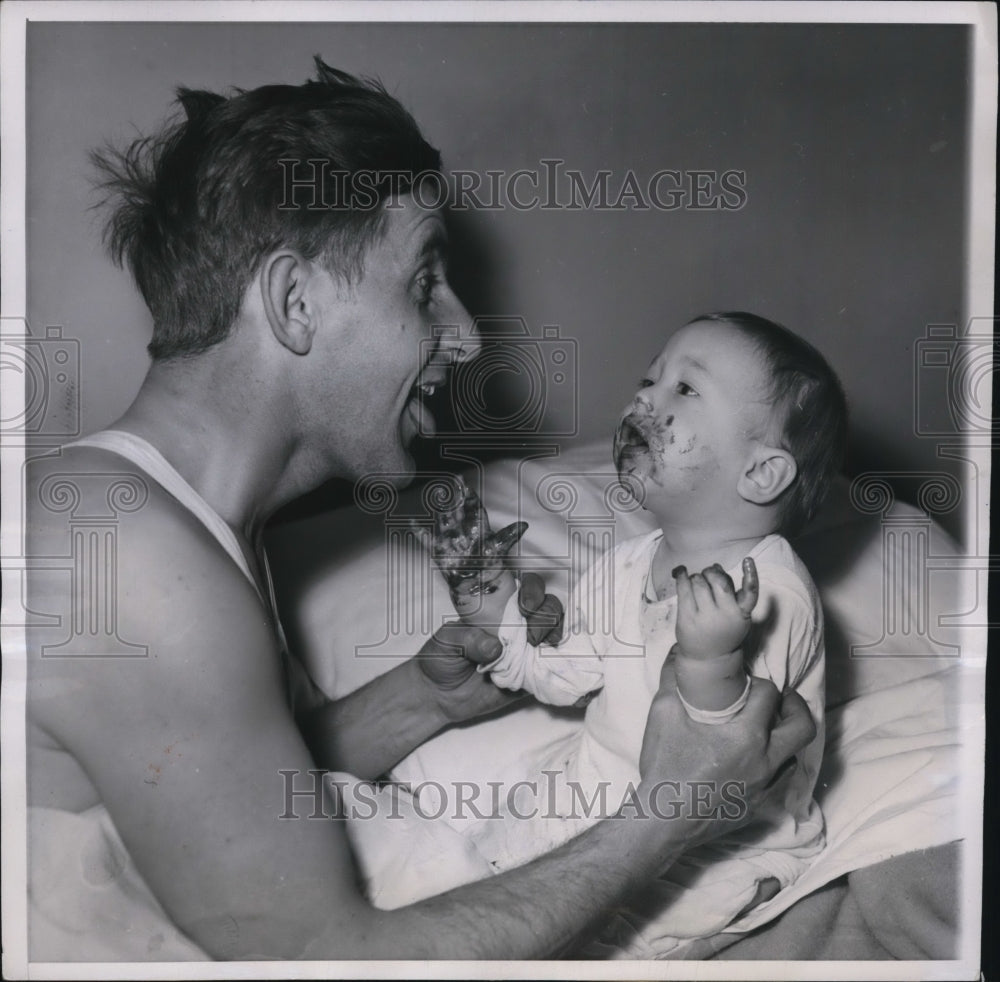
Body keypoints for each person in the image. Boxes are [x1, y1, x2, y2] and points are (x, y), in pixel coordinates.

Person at [24, 59, 816, 962]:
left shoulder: (175, 521)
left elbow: (217, 803)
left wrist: (423, 703)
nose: (469, 335)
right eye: (423, 282)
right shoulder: (138, 566)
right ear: (295, 303)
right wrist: (670, 814)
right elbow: (331, 962)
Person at [419, 313, 847, 957]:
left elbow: (729, 757)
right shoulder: (627, 564)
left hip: (717, 838)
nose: (645, 396)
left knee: (611, 943)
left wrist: (710, 658)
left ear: (761, 474)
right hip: (605, 795)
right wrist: (494, 604)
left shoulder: (772, 592)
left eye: (686, 389)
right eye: (651, 377)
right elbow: (561, 674)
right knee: (488, 870)